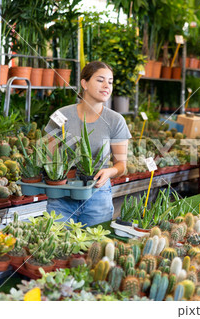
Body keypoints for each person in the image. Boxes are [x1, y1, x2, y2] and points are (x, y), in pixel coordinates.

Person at [44, 61, 131, 227]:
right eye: (100, 80)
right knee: (59, 248)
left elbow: (121, 165)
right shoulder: (61, 115)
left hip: (97, 195)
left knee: (94, 249)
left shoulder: (116, 121)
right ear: (84, 83)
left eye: (110, 82)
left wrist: (109, 171)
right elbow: (49, 155)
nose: (107, 85)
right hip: (62, 195)